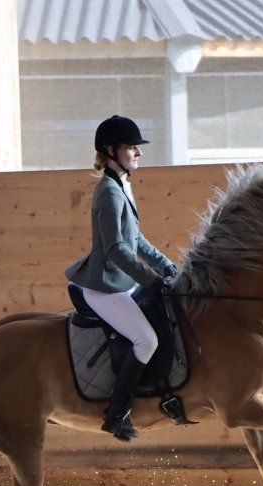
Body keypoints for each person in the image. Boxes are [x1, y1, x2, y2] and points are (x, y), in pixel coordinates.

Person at [65, 115, 178, 441]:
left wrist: (168, 267)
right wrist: (151, 280)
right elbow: (116, 250)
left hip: (121, 282)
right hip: (104, 287)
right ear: (111, 150)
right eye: (132, 148)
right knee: (147, 340)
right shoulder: (109, 193)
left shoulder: (122, 185)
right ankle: (116, 413)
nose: (138, 153)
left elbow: (136, 241)